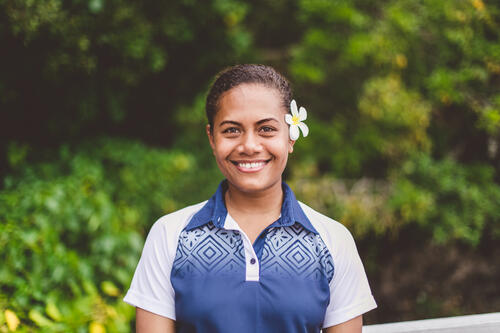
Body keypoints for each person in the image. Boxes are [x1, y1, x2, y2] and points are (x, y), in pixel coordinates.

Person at [123, 64, 377, 332]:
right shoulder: (170, 235)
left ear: (291, 136)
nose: (250, 146)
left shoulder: (333, 240)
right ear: (211, 138)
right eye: (232, 130)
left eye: (266, 129)